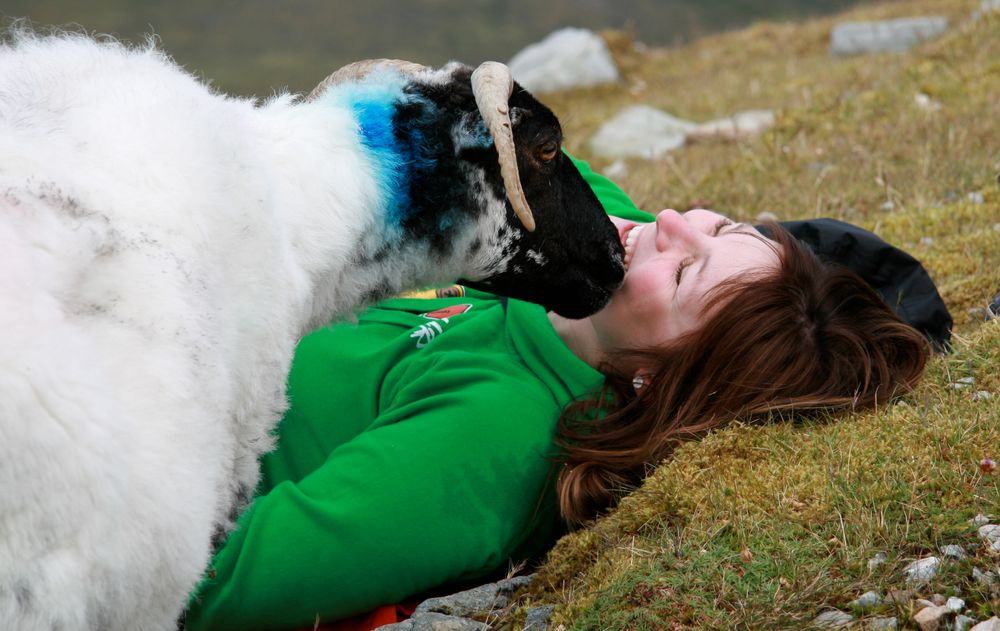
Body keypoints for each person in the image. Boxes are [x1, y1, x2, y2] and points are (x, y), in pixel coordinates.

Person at [183, 158, 932, 631]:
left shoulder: (491, 438)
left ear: (657, 380)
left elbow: (205, 586)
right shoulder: (598, 242)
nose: (667, 222)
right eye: (716, 225)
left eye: (681, 272)